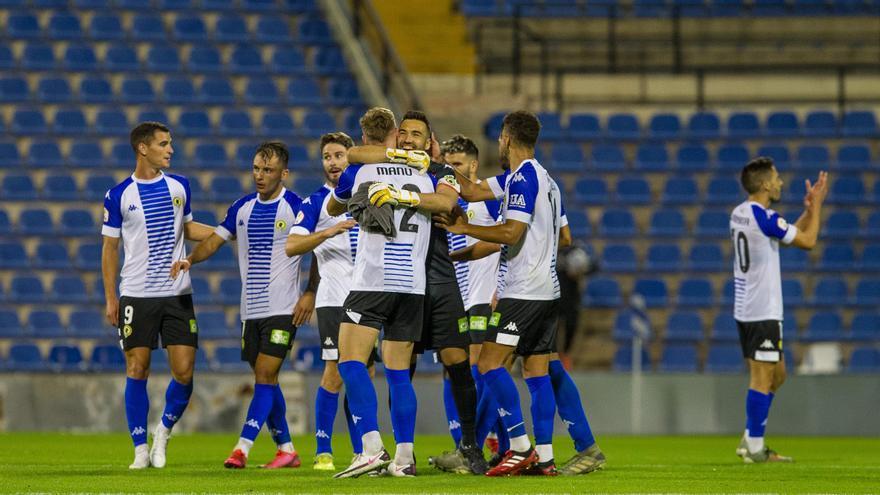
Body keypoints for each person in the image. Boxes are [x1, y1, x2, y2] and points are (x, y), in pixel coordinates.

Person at [327, 107, 459, 478]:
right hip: (413, 285)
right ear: (397, 135)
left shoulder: (363, 169)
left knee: (351, 361)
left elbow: (335, 201)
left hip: (373, 280)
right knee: (399, 374)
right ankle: (404, 459)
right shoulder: (427, 174)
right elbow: (446, 203)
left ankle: (370, 448)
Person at [434, 110, 565, 476]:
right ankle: (546, 456)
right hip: (546, 292)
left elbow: (510, 234)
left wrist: (464, 226)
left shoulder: (522, 179)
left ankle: (520, 447)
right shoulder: (542, 179)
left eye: (500, 140)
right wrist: (437, 167)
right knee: (537, 373)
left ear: (506, 138)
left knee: (489, 364)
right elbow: (473, 190)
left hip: (522, 291)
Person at [169, 142, 304, 469]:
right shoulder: (241, 208)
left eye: (268, 170)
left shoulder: (297, 207)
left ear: (283, 174)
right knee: (265, 380)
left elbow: (317, 246)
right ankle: (286, 448)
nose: (259, 175)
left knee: (265, 375)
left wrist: (311, 293)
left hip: (283, 308)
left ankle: (242, 448)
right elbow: (214, 240)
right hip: (251, 310)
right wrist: (190, 259)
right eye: (256, 168)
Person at [101, 122, 213, 469]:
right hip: (137, 295)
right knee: (137, 368)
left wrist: (226, 233)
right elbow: (110, 249)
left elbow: (189, 228)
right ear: (143, 149)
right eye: (164, 144)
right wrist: (111, 298)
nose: (171, 150)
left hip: (177, 294)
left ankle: (162, 431)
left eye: (171, 144)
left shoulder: (180, 186)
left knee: (184, 371)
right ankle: (139, 448)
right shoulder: (119, 195)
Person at [730, 158, 827, 463]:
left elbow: (783, 233)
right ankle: (755, 448)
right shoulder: (764, 217)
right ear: (764, 185)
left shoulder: (741, 213)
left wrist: (808, 211)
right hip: (763, 311)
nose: (781, 182)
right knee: (762, 377)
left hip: (746, 307)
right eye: (776, 178)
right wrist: (819, 206)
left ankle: (750, 438)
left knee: (778, 374)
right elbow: (807, 241)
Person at [285, 132, 362, 471]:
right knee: (335, 371)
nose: (333, 162)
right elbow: (292, 246)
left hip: (367, 298)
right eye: (327, 156)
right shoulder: (315, 202)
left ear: (352, 158)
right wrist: (326, 232)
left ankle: (364, 450)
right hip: (334, 298)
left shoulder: (367, 195)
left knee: (363, 372)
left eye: (339, 155)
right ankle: (323, 449)